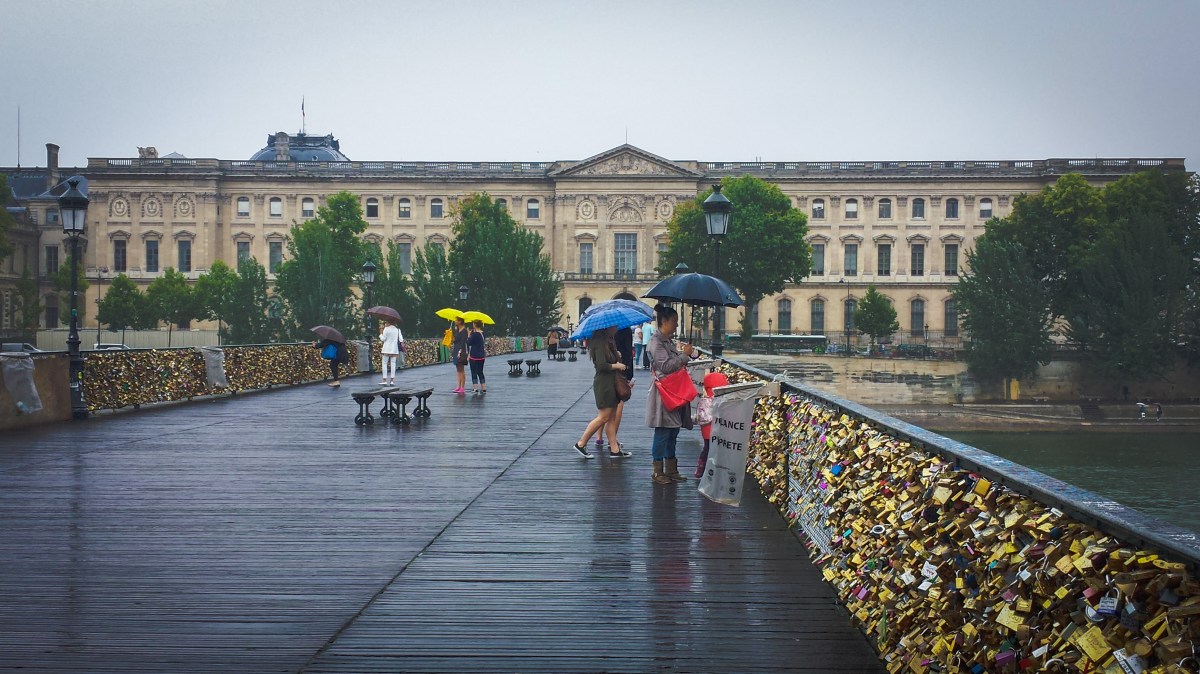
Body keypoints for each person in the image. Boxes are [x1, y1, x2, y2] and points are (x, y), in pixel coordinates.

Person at [647, 304, 697, 484]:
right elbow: (666, 366)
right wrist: (684, 356)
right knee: (663, 432)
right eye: (674, 322)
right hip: (664, 393)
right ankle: (658, 471)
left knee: (673, 431)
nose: (676, 325)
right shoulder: (656, 342)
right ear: (664, 321)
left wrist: (685, 355)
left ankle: (671, 468)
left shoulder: (666, 341)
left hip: (674, 391)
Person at [572, 326, 632, 460]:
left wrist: (617, 355)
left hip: (611, 383)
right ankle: (581, 443)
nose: (616, 328)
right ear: (607, 327)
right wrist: (616, 365)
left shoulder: (609, 341)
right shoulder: (599, 343)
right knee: (604, 417)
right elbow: (600, 365)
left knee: (611, 418)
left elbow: (609, 360)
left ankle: (615, 450)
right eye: (614, 326)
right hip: (604, 384)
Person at [597, 326, 636, 451]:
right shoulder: (624, 330)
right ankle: (612, 439)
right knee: (617, 406)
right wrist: (628, 372)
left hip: (606, 376)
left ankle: (599, 437)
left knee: (605, 408)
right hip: (619, 370)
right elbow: (628, 352)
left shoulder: (603, 334)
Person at [694, 370, 730, 478]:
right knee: (717, 450)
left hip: (706, 430)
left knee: (707, 448)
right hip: (717, 430)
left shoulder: (705, 400)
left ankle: (701, 467)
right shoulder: (722, 400)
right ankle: (715, 472)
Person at [379, 319, 404, 385]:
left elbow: (383, 339)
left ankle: (384, 380)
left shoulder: (386, 329)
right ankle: (392, 380)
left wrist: (381, 334)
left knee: (384, 364)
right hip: (394, 349)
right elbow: (401, 339)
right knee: (393, 364)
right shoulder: (398, 330)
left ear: (388, 322)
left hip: (386, 349)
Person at [467, 320, 488, 395]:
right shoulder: (483, 333)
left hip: (474, 356)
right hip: (482, 356)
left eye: (473, 323)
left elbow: (469, 343)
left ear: (475, 325)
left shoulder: (474, 334)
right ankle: (484, 388)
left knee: (474, 372)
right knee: (480, 372)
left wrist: (469, 335)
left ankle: (475, 388)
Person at [451, 317, 469, 395]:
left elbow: (463, 342)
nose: (455, 321)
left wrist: (460, 351)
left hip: (460, 350)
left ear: (460, 321)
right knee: (458, 369)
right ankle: (458, 386)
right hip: (456, 349)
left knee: (461, 369)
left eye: (456, 320)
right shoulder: (457, 330)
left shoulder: (464, 331)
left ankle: (462, 387)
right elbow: (455, 340)